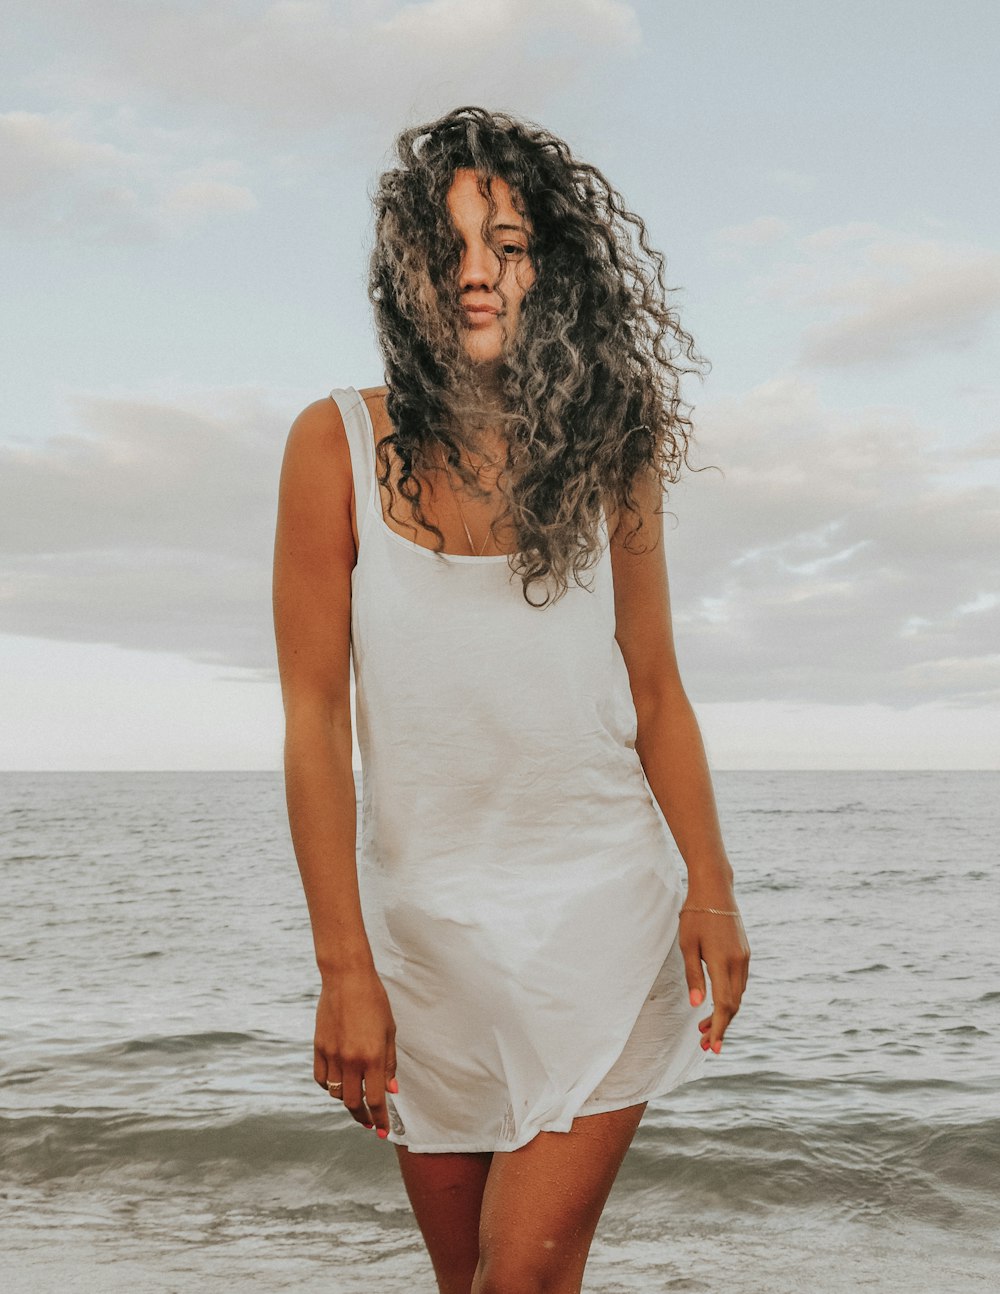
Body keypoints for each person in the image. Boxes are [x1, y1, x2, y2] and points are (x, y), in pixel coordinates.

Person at [272, 105, 750, 1294]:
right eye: (450, 247)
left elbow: (654, 688)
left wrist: (713, 886)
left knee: (519, 1282)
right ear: (406, 270)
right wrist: (345, 966)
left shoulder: (610, 442)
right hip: (423, 945)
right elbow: (315, 720)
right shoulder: (333, 445)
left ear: (552, 267)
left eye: (509, 242)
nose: (478, 273)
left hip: (597, 917)